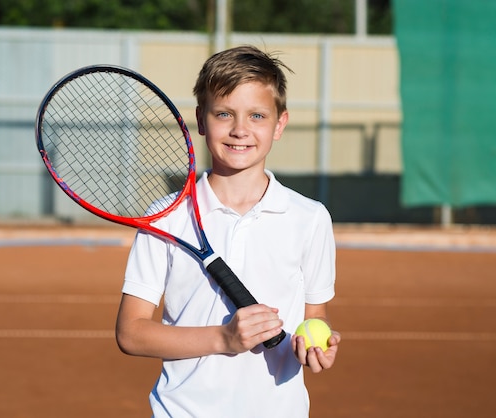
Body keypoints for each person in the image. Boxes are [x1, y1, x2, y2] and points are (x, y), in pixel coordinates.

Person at [115, 45, 341, 418]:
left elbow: (315, 317)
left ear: (279, 124)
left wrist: (316, 343)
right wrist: (224, 338)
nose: (240, 130)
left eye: (257, 115)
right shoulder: (165, 216)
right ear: (201, 120)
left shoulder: (310, 218)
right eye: (224, 114)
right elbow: (131, 332)